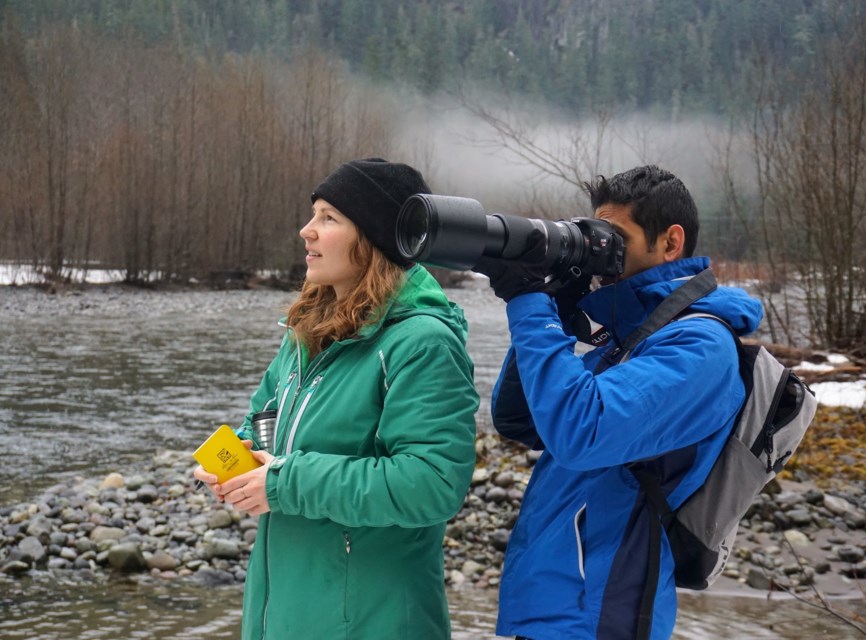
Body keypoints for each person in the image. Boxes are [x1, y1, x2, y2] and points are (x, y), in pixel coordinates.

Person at [193, 158, 478, 640]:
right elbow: (263, 421)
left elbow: (432, 484)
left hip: (373, 623)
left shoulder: (423, 343)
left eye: (329, 218)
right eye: (313, 215)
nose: (307, 230)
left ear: (373, 238)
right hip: (282, 616)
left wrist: (284, 481)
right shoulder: (304, 334)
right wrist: (239, 465)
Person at [479, 165, 764, 640]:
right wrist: (559, 308)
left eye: (616, 239)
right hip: (556, 609)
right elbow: (518, 419)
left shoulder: (700, 345)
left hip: (604, 614)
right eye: (597, 236)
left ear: (670, 243)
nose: (602, 255)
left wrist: (528, 301)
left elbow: (581, 432)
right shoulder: (626, 340)